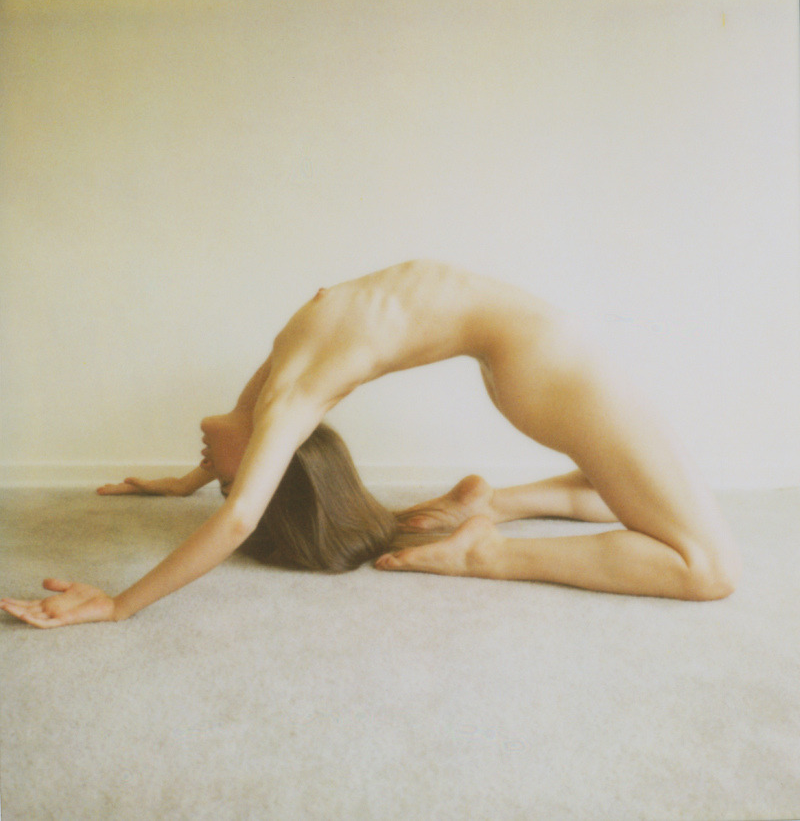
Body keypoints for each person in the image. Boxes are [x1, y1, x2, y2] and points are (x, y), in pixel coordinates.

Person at [0, 261, 741, 628]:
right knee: (707, 569)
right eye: (230, 478)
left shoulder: (277, 385)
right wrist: (120, 606)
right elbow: (240, 519)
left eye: (223, 479)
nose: (221, 477)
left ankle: (491, 505)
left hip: (538, 357)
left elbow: (233, 455)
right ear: (272, 457)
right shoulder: (289, 396)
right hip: (543, 360)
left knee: (621, 493)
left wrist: (181, 482)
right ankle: (486, 550)